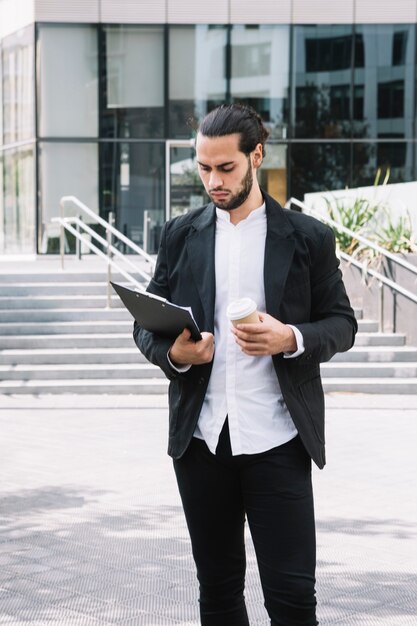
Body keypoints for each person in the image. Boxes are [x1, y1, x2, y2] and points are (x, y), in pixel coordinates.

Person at [133, 103, 357, 626]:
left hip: (277, 440)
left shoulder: (307, 237)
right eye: (203, 168)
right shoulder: (178, 235)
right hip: (202, 441)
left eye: (226, 168)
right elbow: (145, 322)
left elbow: (342, 324)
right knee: (217, 592)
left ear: (256, 155)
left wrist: (290, 337)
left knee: (294, 599)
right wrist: (174, 354)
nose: (213, 180)